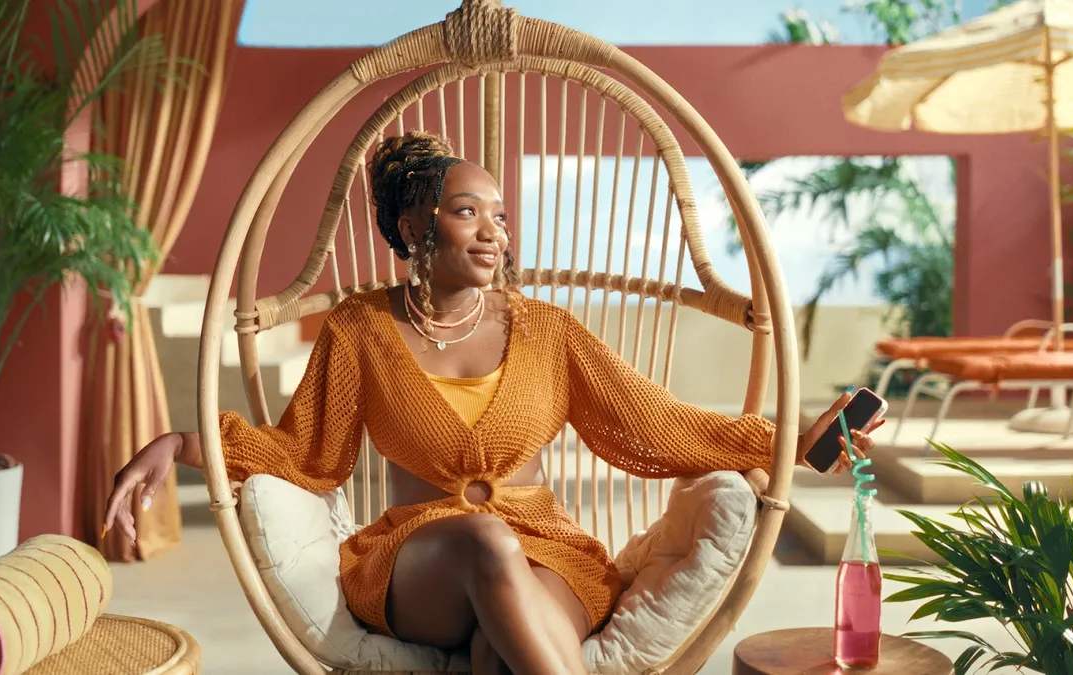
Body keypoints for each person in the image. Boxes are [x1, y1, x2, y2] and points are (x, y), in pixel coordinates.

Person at [104, 131, 880, 675]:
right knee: (482, 539)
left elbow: (659, 425)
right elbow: (304, 453)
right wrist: (181, 442)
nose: (494, 233)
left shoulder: (546, 329)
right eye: (468, 211)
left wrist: (789, 437)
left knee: (495, 655)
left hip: (550, 554)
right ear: (415, 228)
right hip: (422, 560)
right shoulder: (361, 328)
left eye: (500, 215)